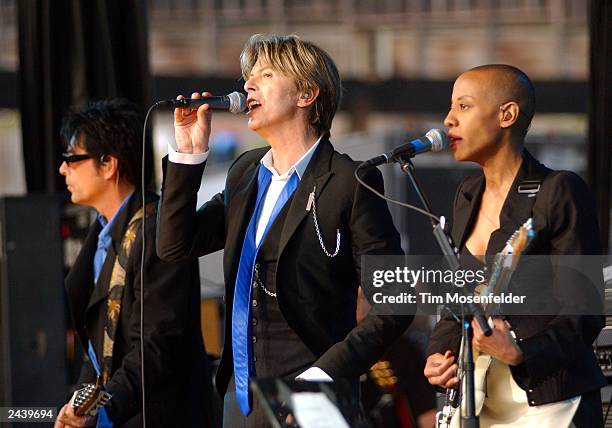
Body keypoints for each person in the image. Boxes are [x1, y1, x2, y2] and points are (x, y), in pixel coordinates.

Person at [156, 34, 411, 427]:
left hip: (314, 397)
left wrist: (325, 374)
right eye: (248, 78)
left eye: (266, 75)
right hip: (239, 399)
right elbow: (176, 244)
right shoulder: (245, 172)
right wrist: (189, 154)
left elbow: (394, 302)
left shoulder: (349, 181)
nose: (247, 86)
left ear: (306, 93)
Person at [423, 65, 606, 427]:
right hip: (478, 399)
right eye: (450, 108)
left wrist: (521, 351)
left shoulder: (559, 190)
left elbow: (584, 313)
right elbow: (459, 301)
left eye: (463, 106)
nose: (448, 121)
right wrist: (437, 355)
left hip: (548, 402)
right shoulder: (467, 195)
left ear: (507, 115)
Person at [55, 99, 216, 428]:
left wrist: (104, 410)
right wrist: (81, 406)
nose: (63, 169)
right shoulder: (101, 232)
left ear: (108, 165)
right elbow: (96, 348)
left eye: (72, 159)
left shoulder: (158, 228)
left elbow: (157, 345)